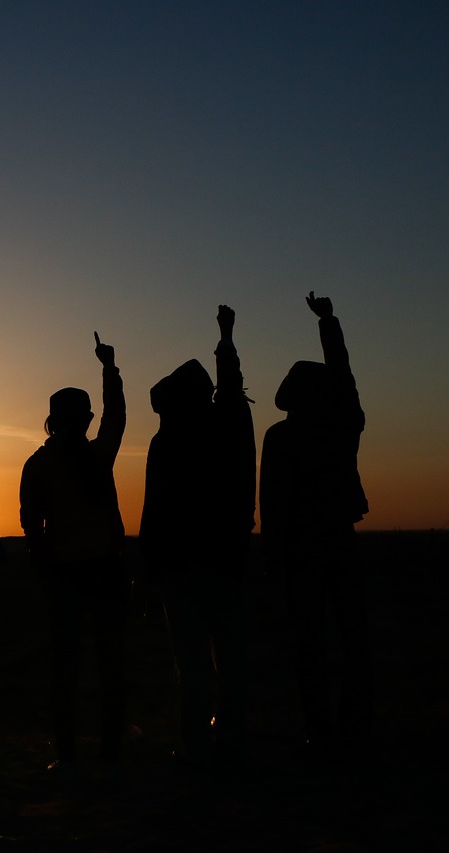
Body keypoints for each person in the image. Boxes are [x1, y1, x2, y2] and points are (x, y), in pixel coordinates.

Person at [139, 306, 255, 769]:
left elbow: (155, 509)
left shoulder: (168, 440)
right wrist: (225, 338)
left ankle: (196, 746)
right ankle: (227, 743)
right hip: (225, 558)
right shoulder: (229, 422)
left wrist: (151, 566)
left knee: (192, 662)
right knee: (228, 658)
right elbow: (230, 383)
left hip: (184, 566)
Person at [261, 292, 371, 760]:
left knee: (312, 645)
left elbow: (272, 505)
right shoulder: (343, 426)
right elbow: (343, 374)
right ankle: (349, 730)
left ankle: (320, 732)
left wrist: (272, 560)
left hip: (300, 550)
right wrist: (328, 323)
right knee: (352, 641)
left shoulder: (282, 437)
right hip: (339, 541)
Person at [18, 332, 127, 770]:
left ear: (50, 420)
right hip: (104, 570)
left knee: (66, 667)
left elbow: (31, 523)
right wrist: (109, 369)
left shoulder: (38, 464)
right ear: (85, 419)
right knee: (110, 665)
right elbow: (117, 418)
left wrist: (42, 562)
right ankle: (110, 750)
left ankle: (66, 754)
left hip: (64, 574)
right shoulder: (99, 455)